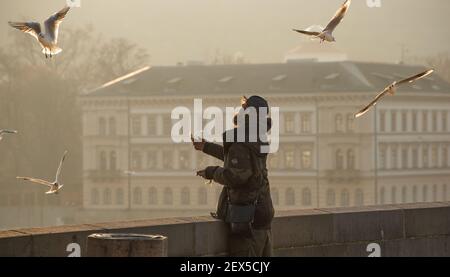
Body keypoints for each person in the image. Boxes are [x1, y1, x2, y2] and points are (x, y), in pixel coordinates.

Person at [193, 95, 274, 257]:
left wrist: (211, 172)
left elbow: (236, 175)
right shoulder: (257, 138)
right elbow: (238, 161)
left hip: (246, 215)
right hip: (261, 211)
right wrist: (206, 147)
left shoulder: (241, 139)